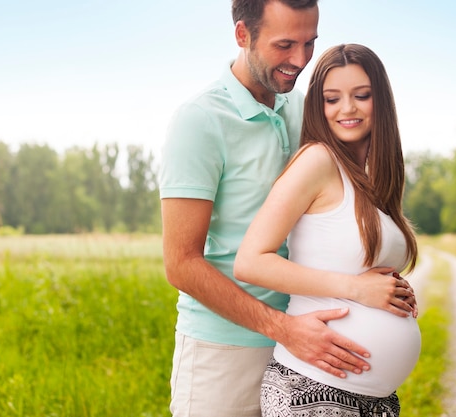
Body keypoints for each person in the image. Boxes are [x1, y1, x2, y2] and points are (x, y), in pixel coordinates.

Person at [160, 1, 417, 416]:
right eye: (284, 45)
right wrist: (284, 329)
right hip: (224, 350)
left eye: (309, 43)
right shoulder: (200, 121)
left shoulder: (309, 111)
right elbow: (181, 264)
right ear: (243, 36)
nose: (299, 61)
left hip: (313, 348)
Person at [233, 43, 421, 416]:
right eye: (332, 99)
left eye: (361, 96)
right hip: (313, 389)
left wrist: (392, 289)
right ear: (318, 107)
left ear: (380, 101)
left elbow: (351, 260)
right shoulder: (317, 161)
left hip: (372, 400)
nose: (347, 109)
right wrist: (357, 289)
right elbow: (250, 262)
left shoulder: (373, 183)